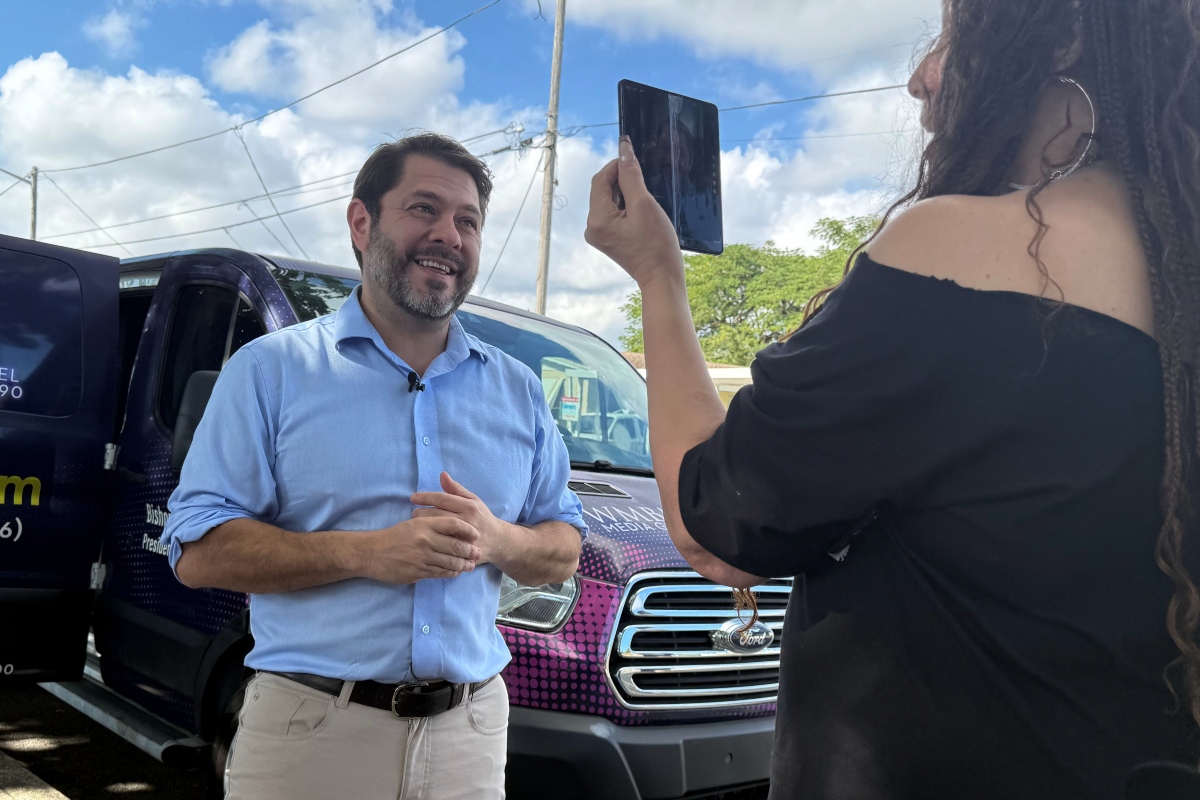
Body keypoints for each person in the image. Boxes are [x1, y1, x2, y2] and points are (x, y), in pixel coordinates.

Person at [584, 0, 1200, 797]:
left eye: (952, 35)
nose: (920, 78)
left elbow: (718, 531)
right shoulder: (1176, 276)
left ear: (1064, 36)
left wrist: (660, 277)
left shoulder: (961, 250)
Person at [162, 132, 586, 800]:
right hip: (311, 733)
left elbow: (563, 546)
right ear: (362, 223)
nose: (449, 234)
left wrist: (496, 538)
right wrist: (365, 554)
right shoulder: (272, 372)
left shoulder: (518, 390)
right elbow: (198, 551)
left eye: (468, 221)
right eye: (424, 209)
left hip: (469, 737)